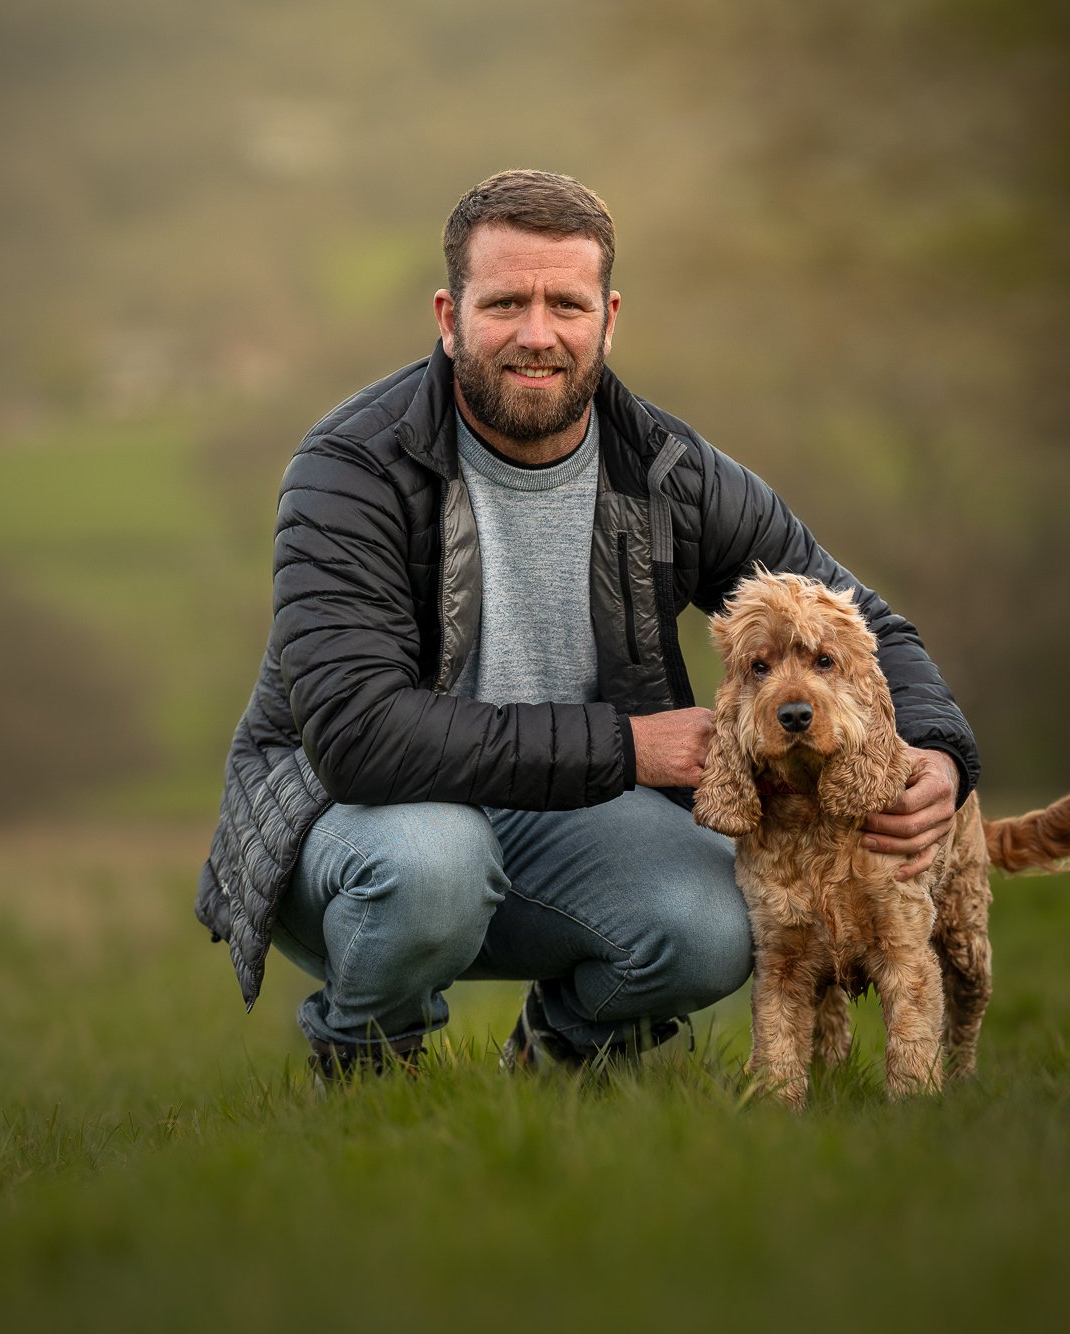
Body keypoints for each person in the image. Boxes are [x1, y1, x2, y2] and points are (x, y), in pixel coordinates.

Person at [196, 170, 979, 1078]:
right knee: (437, 859)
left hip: (557, 821)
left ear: (609, 319)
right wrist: (630, 747)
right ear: (449, 319)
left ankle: (557, 1063)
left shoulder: (672, 472)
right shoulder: (352, 470)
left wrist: (941, 752)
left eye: (566, 304)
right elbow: (360, 737)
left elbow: (866, 622)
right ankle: (369, 1059)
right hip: (346, 826)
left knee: (717, 924)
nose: (538, 335)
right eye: (506, 304)